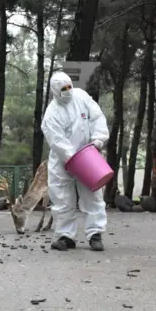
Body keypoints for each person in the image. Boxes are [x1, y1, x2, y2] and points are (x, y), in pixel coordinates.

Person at [41, 72, 110, 251]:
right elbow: (57, 140)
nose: (68, 91)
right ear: (55, 91)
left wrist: (98, 139)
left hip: (89, 155)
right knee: (62, 199)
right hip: (63, 160)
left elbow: (97, 117)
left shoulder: (81, 96)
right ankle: (66, 236)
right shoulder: (51, 114)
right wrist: (73, 157)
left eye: (69, 86)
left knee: (92, 195)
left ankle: (95, 234)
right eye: (63, 89)